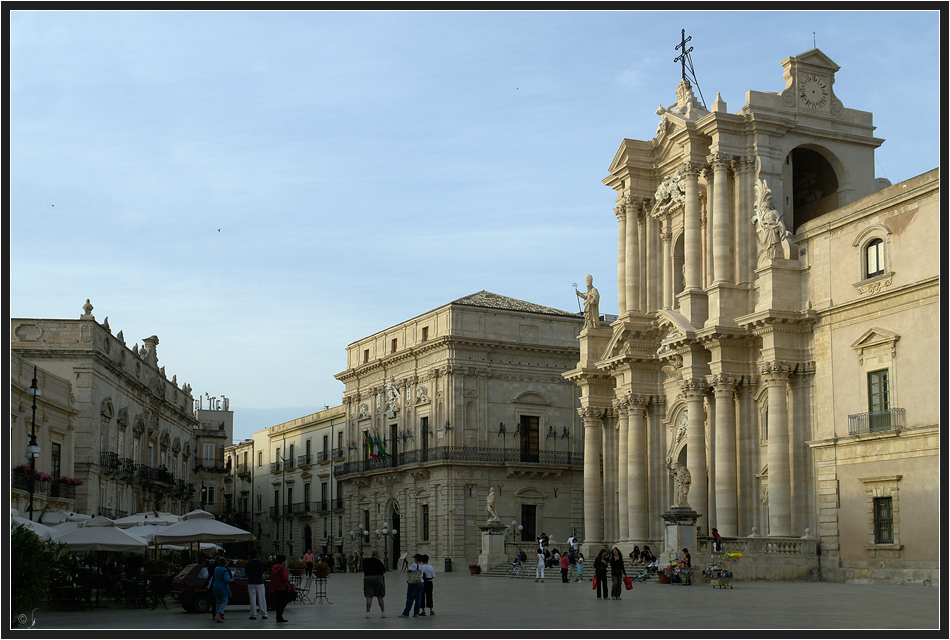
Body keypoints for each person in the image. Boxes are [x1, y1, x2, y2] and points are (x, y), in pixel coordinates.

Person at [363, 549, 387, 618]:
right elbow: (384, 571)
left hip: (368, 578)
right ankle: (383, 612)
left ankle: (368, 613)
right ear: (377, 555)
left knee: (369, 597)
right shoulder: (378, 562)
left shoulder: (366, 561)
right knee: (380, 596)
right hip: (378, 579)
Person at [399, 553, 425, 618]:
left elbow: (408, 570)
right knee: (418, 599)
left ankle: (406, 613)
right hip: (421, 582)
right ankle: (416, 613)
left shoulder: (414, 565)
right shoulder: (422, 566)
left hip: (414, 583)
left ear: (416, 559)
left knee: (410, 598)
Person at [270, 554, 291, 623]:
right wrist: (288, 580)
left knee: (278, 602)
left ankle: (278, 616)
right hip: (282, 587)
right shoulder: (283, 568)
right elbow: (285, 578)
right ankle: (279, 617)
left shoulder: (274, 567)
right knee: (282, 602)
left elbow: (272, 577)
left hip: (276, 587)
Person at [246, 552, 267, 620]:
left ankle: (253, 614)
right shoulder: (261, 562)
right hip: (260, 582)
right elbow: (264, 570)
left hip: (251, 582)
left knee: (252, 599)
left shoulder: (248, 563)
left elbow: (247, 572)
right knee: (262, 598)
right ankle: (264, 613)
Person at [211, 556, 231, 623]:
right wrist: (230, 580)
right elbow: (227, 579)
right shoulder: (224, 570)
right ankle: (218, 614)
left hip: (215, 587)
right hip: (222, 588)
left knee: (218, 602)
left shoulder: (216, 569)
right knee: (224, 601)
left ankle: (216, 615)